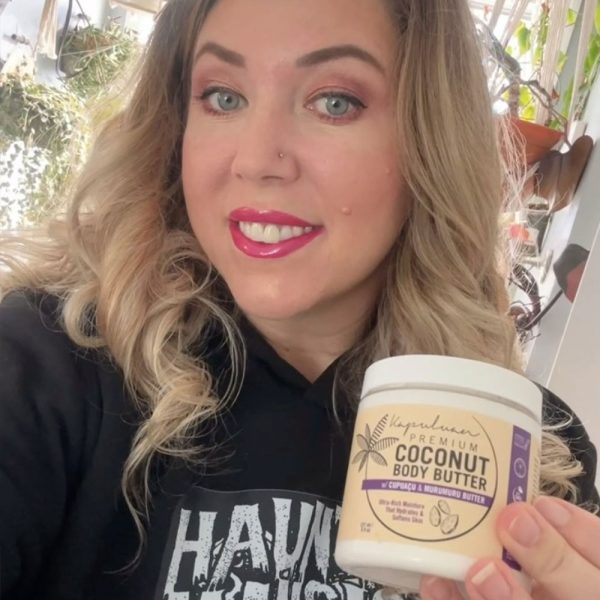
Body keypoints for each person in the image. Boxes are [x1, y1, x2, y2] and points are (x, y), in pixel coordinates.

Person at [0, 0, 598, 599]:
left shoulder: (535, 452)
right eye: (223, 97)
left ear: (430, 140)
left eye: (335, 101)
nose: (258, 161)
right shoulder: (45, 365)